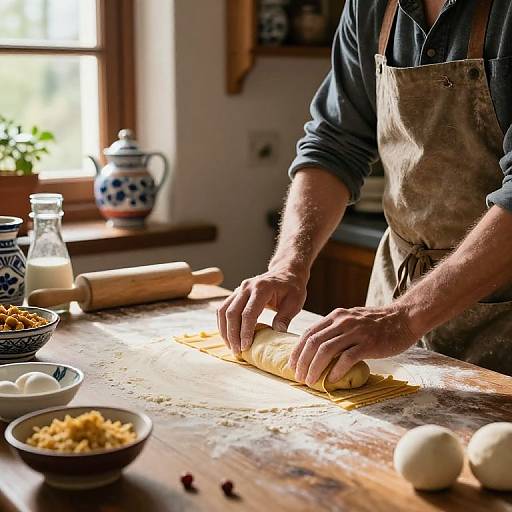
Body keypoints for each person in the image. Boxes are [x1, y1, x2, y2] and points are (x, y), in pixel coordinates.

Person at [218, 0, 512, 385]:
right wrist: (288, 264)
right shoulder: (371, 6)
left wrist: (405, 317)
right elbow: (333, 144)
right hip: (395, 295)